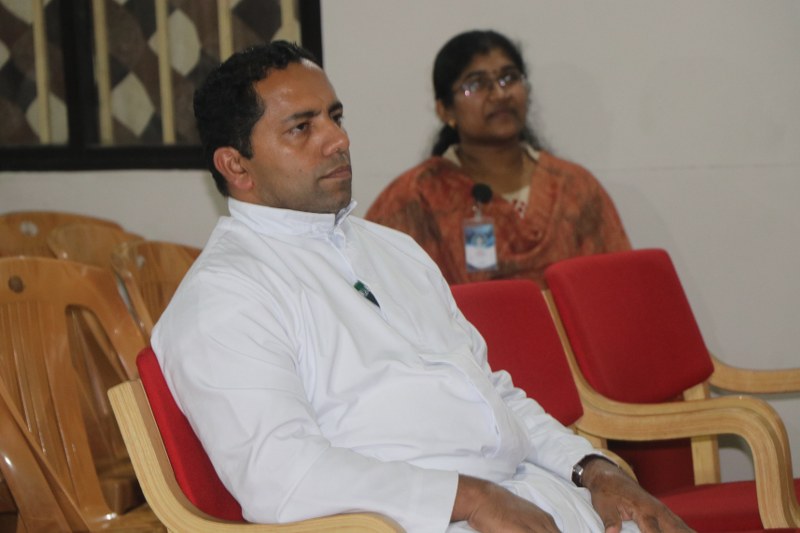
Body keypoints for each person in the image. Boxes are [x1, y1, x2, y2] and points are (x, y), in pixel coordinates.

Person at [152, 41, 691, 533]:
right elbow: (281, 478)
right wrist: (470, 498)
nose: (338, 140)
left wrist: (593, 470)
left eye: (335, 117)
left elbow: (493, 392)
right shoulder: (225, 296)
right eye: (302, 127)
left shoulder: (393, 250)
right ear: (236, 166)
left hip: (526, 497)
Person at [365, 30, 630, 287]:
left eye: (509, 78)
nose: (500, 94)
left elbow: (620, 286)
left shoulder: (573, 187)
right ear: (445, 110)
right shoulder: (414, 198)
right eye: (476, 84)